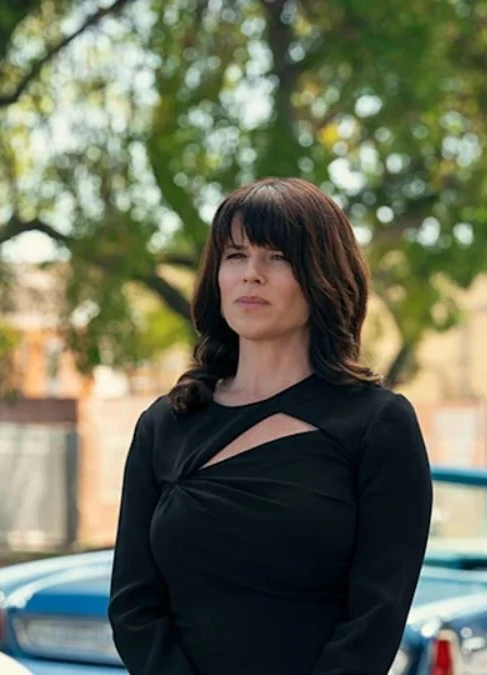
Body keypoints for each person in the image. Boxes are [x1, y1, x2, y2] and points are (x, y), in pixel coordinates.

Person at [107, 177, 433, 674]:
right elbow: (133, 604)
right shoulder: (165, 424)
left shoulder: (378, 424)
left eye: (276, 257)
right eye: (234, 256)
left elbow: (376, 616)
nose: (250, 275)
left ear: (322, 275)